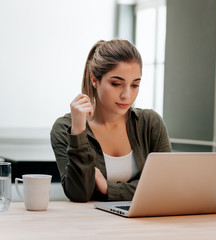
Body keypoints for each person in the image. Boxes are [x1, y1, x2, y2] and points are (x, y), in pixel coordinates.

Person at [50, 39, 172, 202]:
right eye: (116, 84)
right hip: (90, 224)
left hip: (144, 223)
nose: (126, 95)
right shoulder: (65, 127)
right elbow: (79, 194)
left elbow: (165, 186)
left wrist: (108, 188)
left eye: (135, 85)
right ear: (95, 80)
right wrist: (78, 131)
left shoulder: (150, 123)